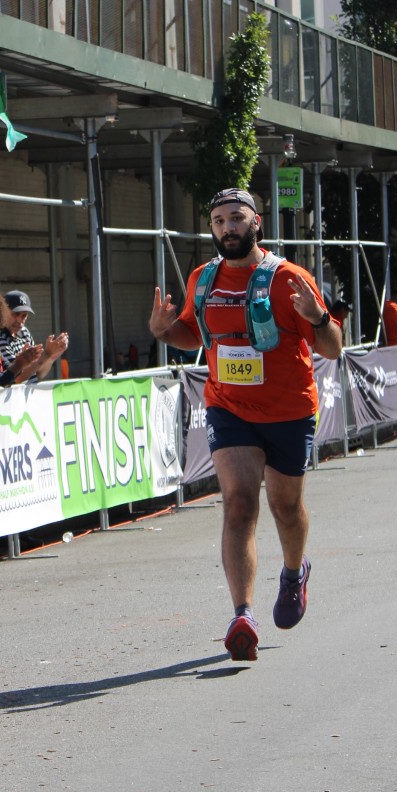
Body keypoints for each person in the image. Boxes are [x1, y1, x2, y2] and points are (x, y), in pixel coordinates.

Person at [148, 188, 342, 662]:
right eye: (218, 221)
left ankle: (294, 573)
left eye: (236, 218)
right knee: (238, 504)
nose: (227, 228)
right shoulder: (203, 279)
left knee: (286, 507)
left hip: (288, 410)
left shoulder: (289, 278)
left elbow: (332, 348)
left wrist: (319, 318)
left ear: (256, 223)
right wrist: (162, 330)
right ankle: (243, 614)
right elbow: (192, 334)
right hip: (228, 407)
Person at [0, 289, 68, 381]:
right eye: (15, 314)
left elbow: (39, 373)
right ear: (3, 311)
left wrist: (52, 356)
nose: (19, 320)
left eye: (24, 315)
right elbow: (16, 379)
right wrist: (47, 353)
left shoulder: (24, 332)